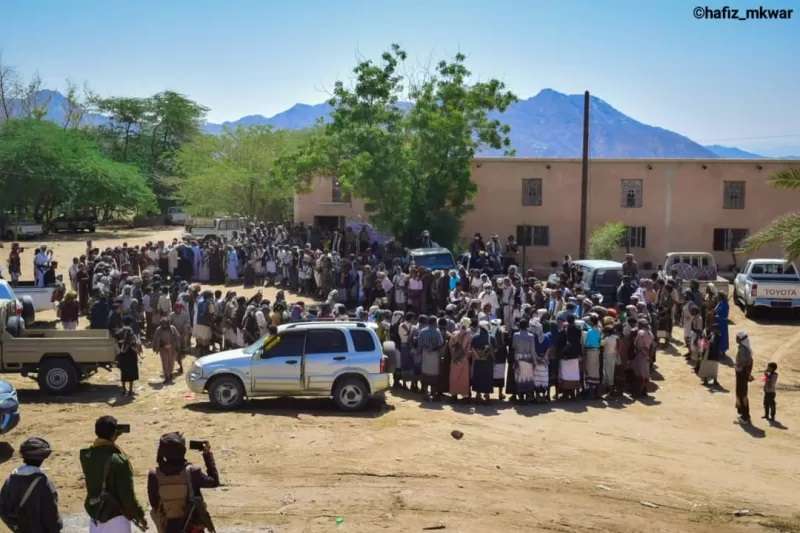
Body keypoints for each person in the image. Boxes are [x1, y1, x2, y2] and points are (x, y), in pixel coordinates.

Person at [80, 416, 147, 532]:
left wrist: (113, 433)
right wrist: (139, 515)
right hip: (116, 520)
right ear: (114, 434)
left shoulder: (87, 456)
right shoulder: (118, 461)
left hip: (96, 517)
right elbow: (127, 497)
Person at [147, 433, 219, 533]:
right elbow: (214, 482)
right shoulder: (192, 472)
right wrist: (207, 454)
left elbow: (154, 503)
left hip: (168, 528)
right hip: (193, 528)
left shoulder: (154, 475)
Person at [0, 437, 62, 532]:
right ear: (43, 458)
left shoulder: (11, 479)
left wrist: (17, 527)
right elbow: (51, 515)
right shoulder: (43, 482)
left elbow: (3, 509)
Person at [448, 317, 473, 402]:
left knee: (454, 377)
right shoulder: (469, 335)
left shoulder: (454, 333)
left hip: (455, 359)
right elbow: (469, 348)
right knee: (463, 378)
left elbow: (450, 346)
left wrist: (454, 355)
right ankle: (465, 396)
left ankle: (453, 395)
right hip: (464, 359)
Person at [116, 317, 141, 397]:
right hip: (131, 354)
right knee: (131, 372)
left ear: (123, 323)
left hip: (122, 355)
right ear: (130, 323)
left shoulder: (119, 332)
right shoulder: (131, 332)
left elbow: (116, 342)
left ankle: (124, 389)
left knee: (123, 372)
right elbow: (135, 343)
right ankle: (130, 390)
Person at [152, 318, 181, 385]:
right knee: (165, 363)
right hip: (163, 348)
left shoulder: (173, 328)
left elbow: (177, 337)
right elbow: (155, 339)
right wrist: (158, 346)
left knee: (171, 362)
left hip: (172, 348)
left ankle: (170, 373)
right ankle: (166, 377)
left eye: (165, 324)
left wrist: (178, 346)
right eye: (163, 324)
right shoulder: (158, 330)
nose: (164, 325)